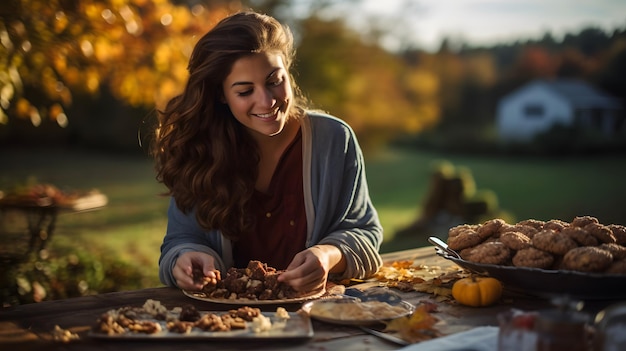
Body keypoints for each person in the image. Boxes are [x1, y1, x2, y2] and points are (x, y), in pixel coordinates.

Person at [152, 11, 383, 295]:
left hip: (321, 318)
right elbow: (180, 240)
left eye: (274, 80)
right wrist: (185, 258)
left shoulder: (335, 140)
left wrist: (327, 255)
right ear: (222, 95)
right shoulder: (199, 149)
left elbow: (366, 234)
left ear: (288, 70)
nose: (267, 100)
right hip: (227, 324)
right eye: (245, 91)